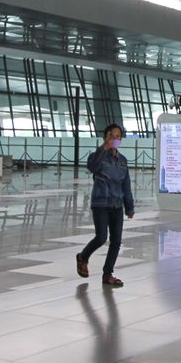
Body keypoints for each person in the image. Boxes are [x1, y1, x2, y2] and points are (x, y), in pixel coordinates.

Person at [76, 123, 134, 287]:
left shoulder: (122, 161)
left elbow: (126, 185)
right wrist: (103, 148)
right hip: (101, 203)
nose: (115, 139)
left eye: (118, 137)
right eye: (112, 136)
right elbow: (92, 167)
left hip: (117, 205)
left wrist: (129, 207)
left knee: (116, 241)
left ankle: (108, 274)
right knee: (101, 237)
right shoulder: (98, 156)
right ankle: (83, 257)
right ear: (106, 137)